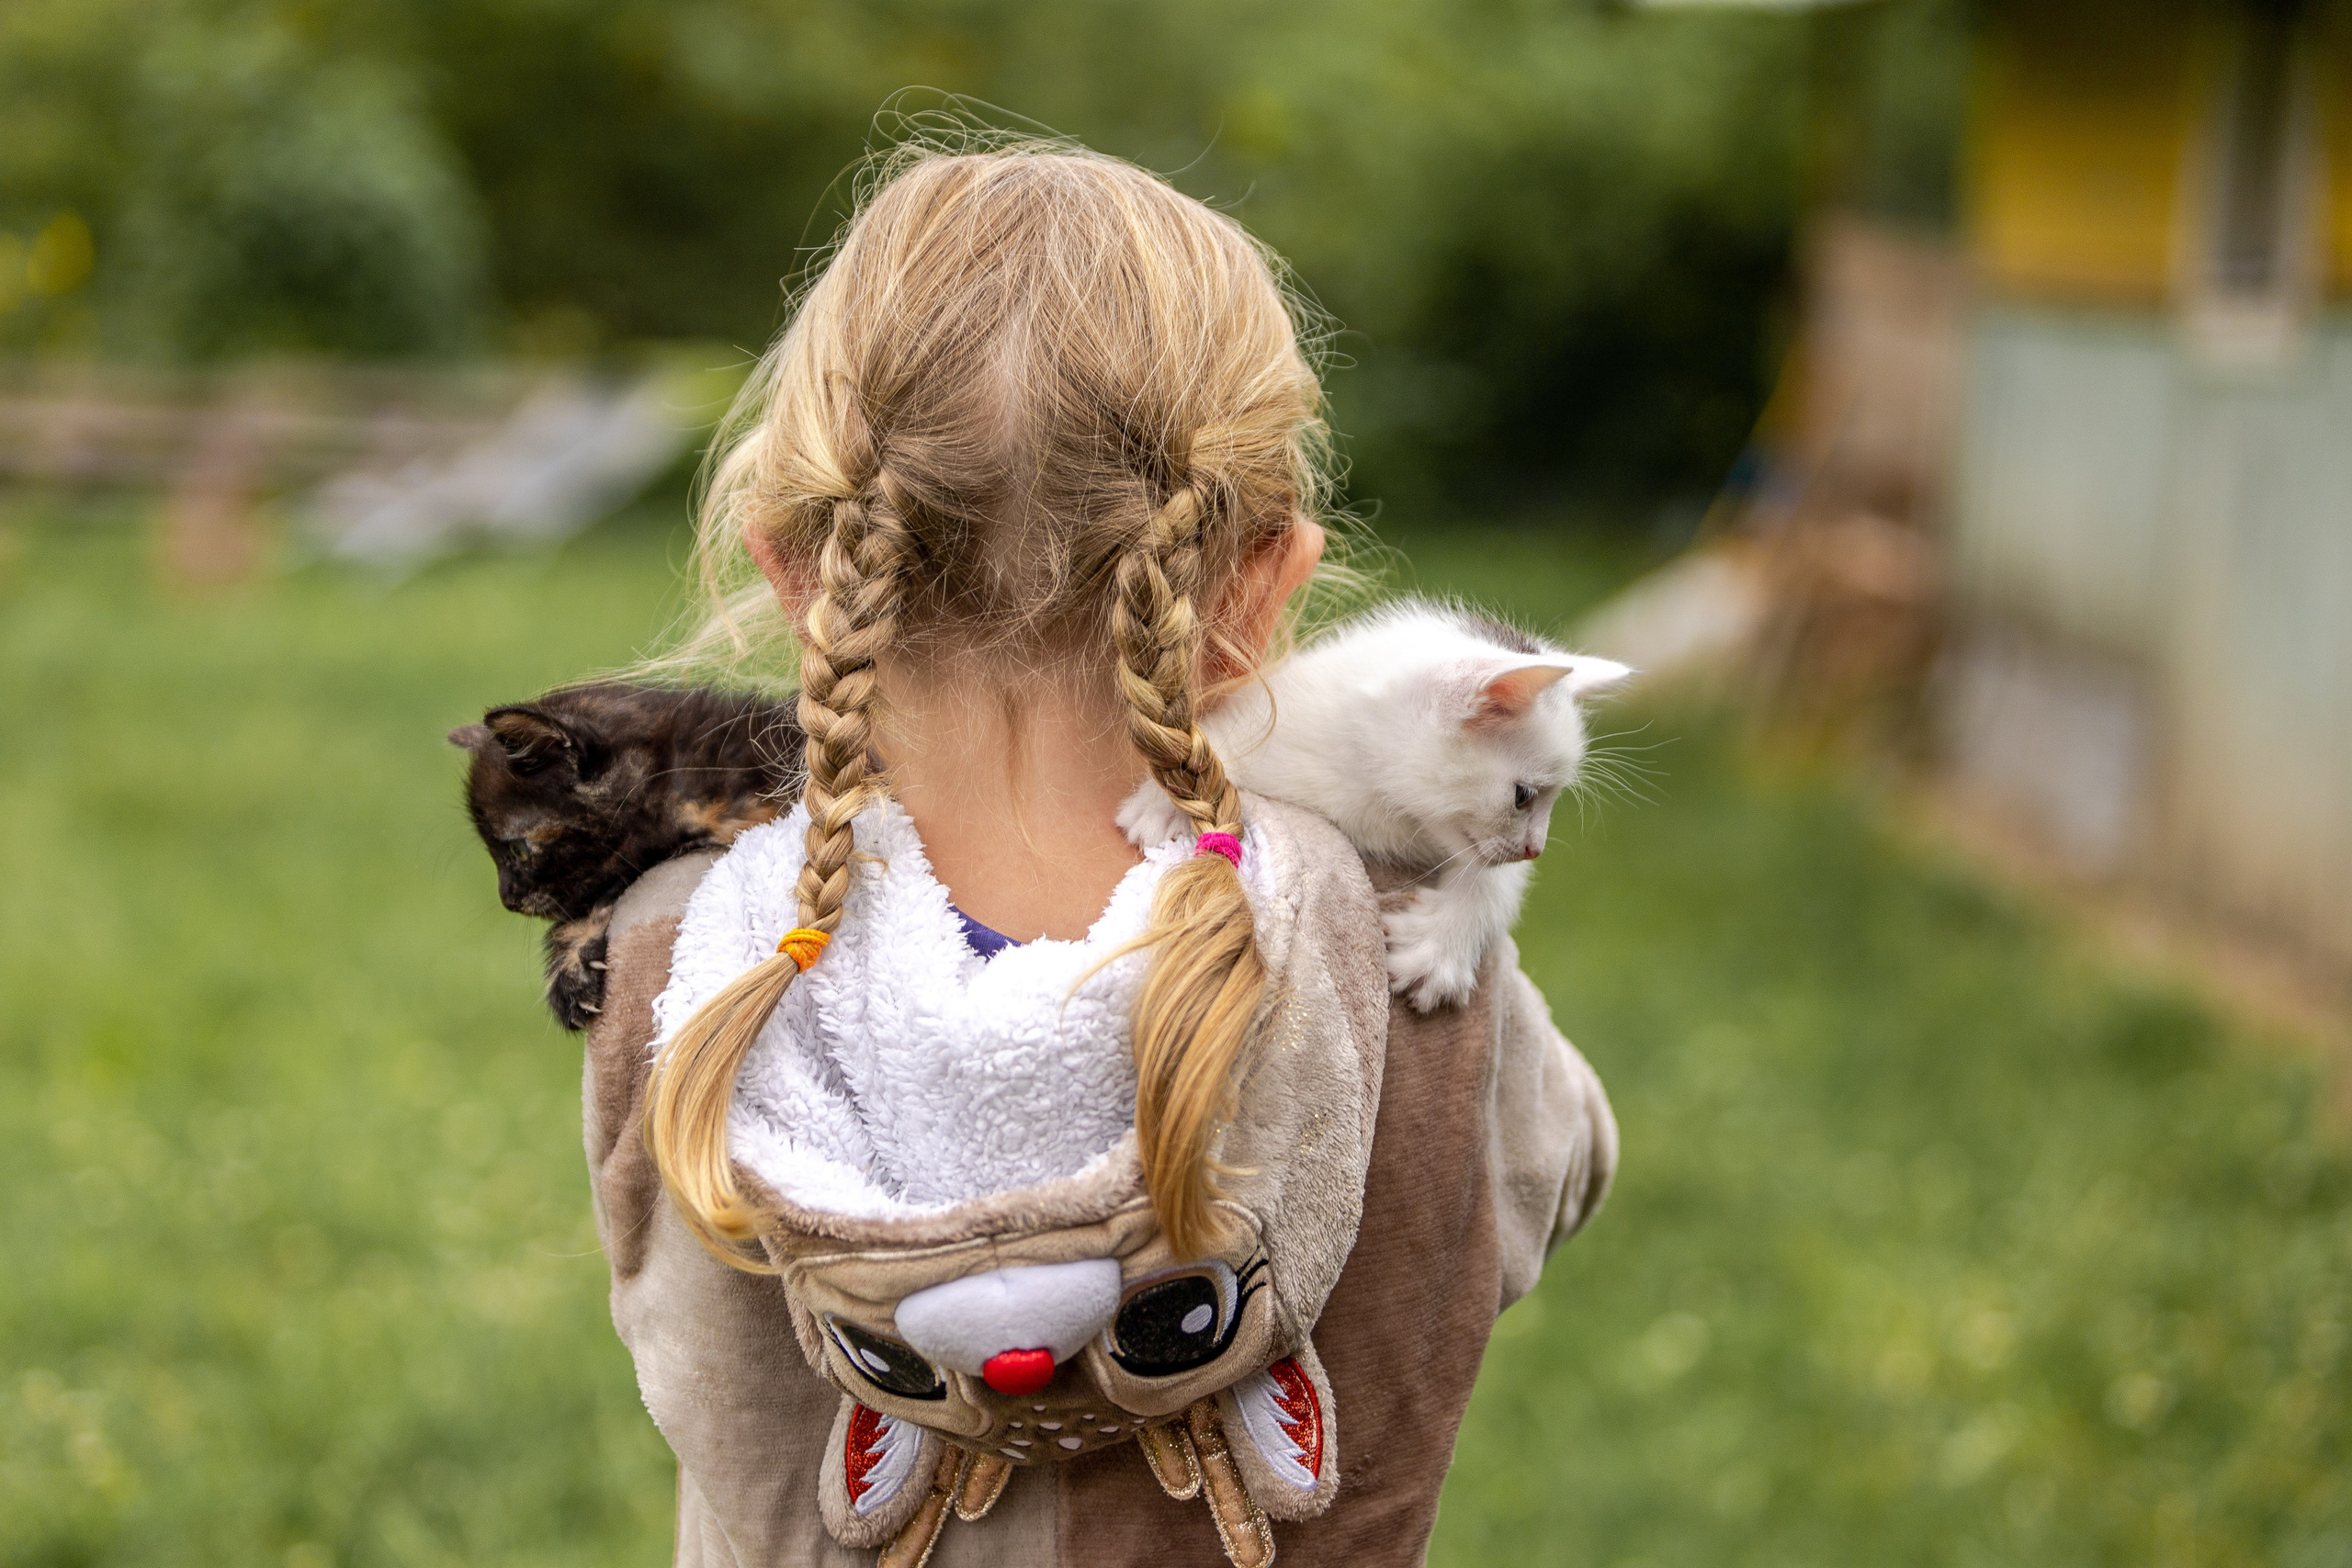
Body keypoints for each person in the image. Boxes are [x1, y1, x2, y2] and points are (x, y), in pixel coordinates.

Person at [579, 140, 1616, 1567]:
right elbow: (1550, 1176)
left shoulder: (683, 955)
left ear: (799, 575)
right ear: (1262, 587)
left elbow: (671, 1324)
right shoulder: (1397, 963)